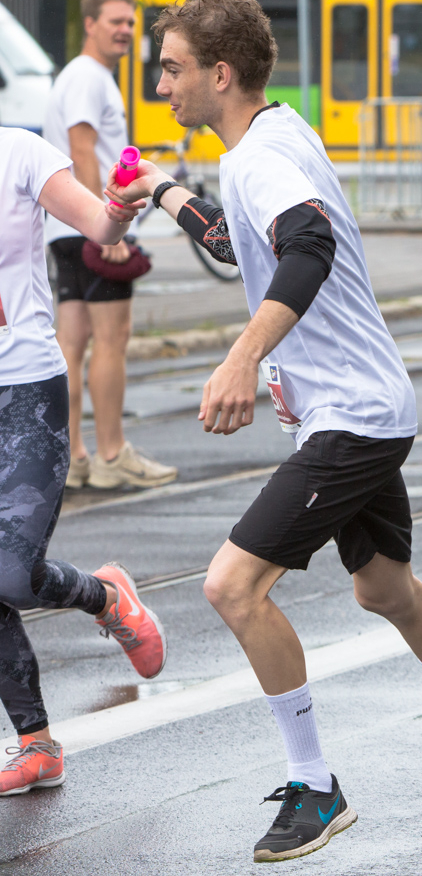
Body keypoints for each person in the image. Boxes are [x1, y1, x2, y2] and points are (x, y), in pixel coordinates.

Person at [110, 0, 422, 861]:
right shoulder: (277, 135)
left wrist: (240, 357)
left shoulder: (262, 160)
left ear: (220, 73)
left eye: (174, 68)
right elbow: (240, 243)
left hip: (351, 417)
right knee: (384, 589)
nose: (162, 85)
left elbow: (307, 246)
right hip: (369, 406)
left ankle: (314, 785)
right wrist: (161, 190)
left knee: (229, 585)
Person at [0, 126, 168, 796]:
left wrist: (125, 202)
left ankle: (106, 595)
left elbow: (99, 223)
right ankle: (36, 743)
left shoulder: (18, 152)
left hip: (25, 393)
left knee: (10, 573)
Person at [42, 0, 177, 490]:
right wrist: (108, 224)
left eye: (130, 22)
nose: (125, 30)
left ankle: (73, 457)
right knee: (112, 340)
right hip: (92, 228)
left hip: (66, 228)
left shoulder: (80, 76)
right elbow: (82, 148)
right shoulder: (88, 77)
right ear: (90, 24)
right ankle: (113, 453)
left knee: (71, 344)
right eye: (115, 21)